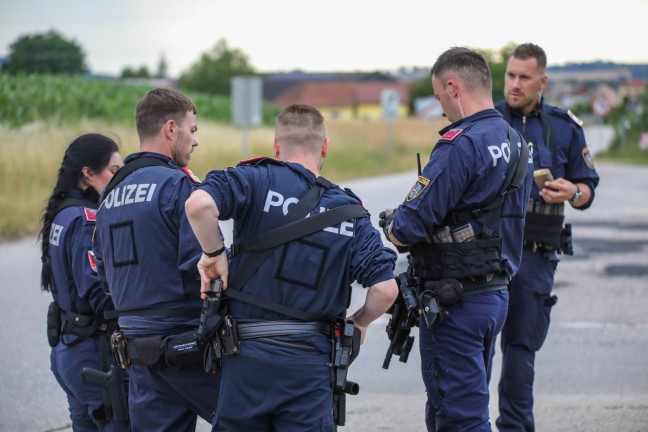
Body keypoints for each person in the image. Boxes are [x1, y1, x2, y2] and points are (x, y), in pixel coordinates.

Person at [184, 103, 399, 431]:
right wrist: (361, 322)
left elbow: (199, 205)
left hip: (245, 357)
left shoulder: (252, 179)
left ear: (276, 146)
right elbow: (385, 289)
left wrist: (214, 253)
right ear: (324, 147)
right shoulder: (348, 212)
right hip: (309, 365)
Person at [379, 47, 533, 431]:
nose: (442, 108)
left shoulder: (460, 144)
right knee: (454, 407)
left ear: (454, 87)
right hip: (495, 294)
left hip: (455, 302)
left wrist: (390, 223)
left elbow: (406, 229)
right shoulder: (514, 141)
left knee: (460, 417)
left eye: (439, 97)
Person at [93, 88, 219, 431]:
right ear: (170, 129)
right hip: (188, 348)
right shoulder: (178, 186)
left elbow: (104, 278)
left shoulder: (109, 195)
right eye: (192, 130)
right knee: (256, 418)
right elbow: (205, 268)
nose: (195, 141)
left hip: (138, 354)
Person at [493, 43, 600, 432]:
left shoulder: (564, 127)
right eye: (510, 75)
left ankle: (515, 428)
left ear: (543, 80)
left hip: (536, 256)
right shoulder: (486, 121)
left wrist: (573, 191)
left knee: (520, 348)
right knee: (475, 345)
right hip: (486, 252)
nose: (515, 84)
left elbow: (588, 189)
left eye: (524, 77)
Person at [39, 133, 128, 431]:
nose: (119, 178)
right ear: (87, 173)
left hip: (69, 347)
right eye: (113, 171)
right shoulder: (85, 218)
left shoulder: (63, 213)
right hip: (92, 351)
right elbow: (98, 292)